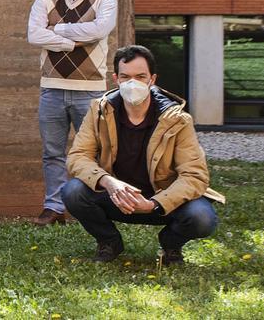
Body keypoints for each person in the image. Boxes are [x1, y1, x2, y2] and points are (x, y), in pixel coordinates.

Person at [63, 45, 223, 265]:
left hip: (163, 199)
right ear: (116, 79)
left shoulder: (177, 119)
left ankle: (171, 244)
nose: (132, 83)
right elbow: (78, 156)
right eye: (125, 77)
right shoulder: (99, 110)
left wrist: (154, 203)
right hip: (117, 197)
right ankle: (109, 242)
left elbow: (195, 176)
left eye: (140, 77)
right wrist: (108, 182)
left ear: (152, 79)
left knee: (202, 218)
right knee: (73, 192)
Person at [26, 0, 118, 226]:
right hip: (51, 88)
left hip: (90, 89)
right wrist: (73, 42)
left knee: (96, 152)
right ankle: (54, 207)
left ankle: (96, 205)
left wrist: (57, 29)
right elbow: (34, 35)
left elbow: (100, 30)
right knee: (52, 153)